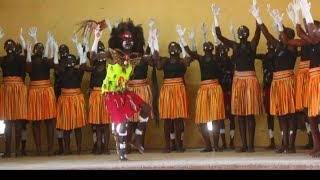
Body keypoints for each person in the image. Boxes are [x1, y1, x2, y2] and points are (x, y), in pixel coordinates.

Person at [89, 19, 157, 161]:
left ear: (135, 41)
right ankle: (121, 151)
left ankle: (137, 138)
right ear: (119, 40)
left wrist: (154, 40)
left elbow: (154, 60)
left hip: (123, 91)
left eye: (130, 38)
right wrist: (96, 39)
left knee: (146, 108)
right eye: (124, 38)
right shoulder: (113, 54)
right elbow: (93, 57)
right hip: (110, 92)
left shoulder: (134, 57)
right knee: (124, 122)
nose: (127, 41)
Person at [213, 0, 263, 152]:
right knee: (241, 113)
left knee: (249, 114)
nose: (241, 33)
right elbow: (220, 36)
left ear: (246, 34)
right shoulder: (234, 46)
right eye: (240, 31)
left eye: (243, 31)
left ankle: (251, 145)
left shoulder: (252, 45)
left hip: (250, 80)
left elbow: (258, 32)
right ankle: (245, 145)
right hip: (238, 80)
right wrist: (215, 17)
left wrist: (256, 15)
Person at [250, 3, 298, 153]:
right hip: (277, 83)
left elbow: (282, 37)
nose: (279, 35)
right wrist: (258, 18)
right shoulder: (278, 46)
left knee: (290, 114)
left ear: (289, 37)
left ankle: (291, 144)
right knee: (281, 115)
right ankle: (284, 143)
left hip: (287, 81)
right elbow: (267, 34)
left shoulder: (292, 48)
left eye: (284, 34)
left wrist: (279, 23)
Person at [177, 25, 225, 152]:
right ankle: (210, 145)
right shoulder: (202, 58)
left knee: (215, 118)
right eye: (207, 46)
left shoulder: (216, 58)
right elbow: (189, 52)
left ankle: (215, 145)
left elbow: (217, 48)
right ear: (204, 49)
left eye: (210, 46)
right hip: (204, 89)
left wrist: (215, 38)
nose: (208, 48)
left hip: (214, 88)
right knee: (204, 118)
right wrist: (182, 38)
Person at [294, 0, 320, 157]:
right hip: (313, 80)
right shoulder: (311, 42)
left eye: (315, 29)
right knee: (312, 116)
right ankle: (317, 146)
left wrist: (306, 13)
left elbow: (311, 31)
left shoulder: (317, 38)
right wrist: (299, 16)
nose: (311, 31)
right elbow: (301, 32)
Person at [24, 31, 56, 156]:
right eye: (38, 47)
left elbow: (53, 63)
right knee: (36, 121)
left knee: (49, 120)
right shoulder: (30, 61)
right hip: (34, 92)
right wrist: (28, 50)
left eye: (42, 48)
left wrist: (52, 47)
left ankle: (50, 148)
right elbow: (28, 70)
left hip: (47, 91)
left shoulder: (46, 62)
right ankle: (38, 148)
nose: (40, 49)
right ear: (34, 50)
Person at [54, 38, 88, 155]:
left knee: (76, 126)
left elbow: (83, 64)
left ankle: (78, 149)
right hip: (65, 99)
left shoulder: (78, 71)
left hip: (76, 99)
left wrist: (81, 51)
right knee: (66, 127)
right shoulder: (61, 72)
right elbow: (55, 64)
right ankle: (67, 149)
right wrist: (54, 50)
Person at [0, 28, 27, 157]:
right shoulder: (2, 60)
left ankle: (17, 150)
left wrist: (22, 40)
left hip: (19, 89)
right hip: (6, 90)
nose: (10, 46)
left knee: (18, 121)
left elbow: (27, 56)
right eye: (7, 44)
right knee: (8, 122)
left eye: (12, 44)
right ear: (4, 47)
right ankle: (7, 150)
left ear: (15, 47)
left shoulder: (20, 59)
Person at [255, 41, 276, 150]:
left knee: (282, 115)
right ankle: (272, 140)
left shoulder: (279, 55)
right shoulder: (264, 57)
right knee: (270, 115)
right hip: (267, 88)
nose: (269, 46)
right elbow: (252, 54)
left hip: (278, 88)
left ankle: (285, 141)